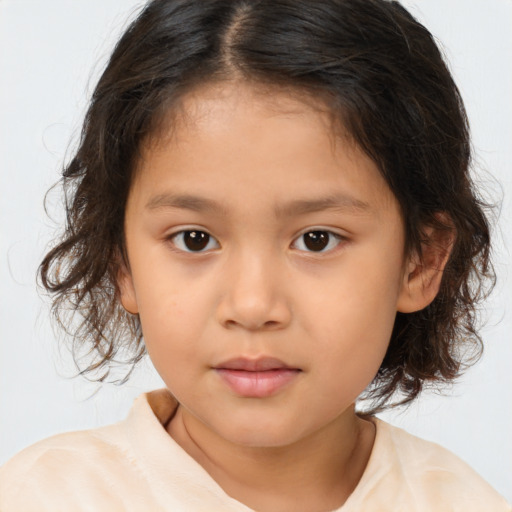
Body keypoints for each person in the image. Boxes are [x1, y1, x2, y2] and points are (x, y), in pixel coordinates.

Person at [0, 0, 510, 510]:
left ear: (419, 261)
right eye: (194, 239)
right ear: (122, 263)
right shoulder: (43, 496)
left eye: (317, 239)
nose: (252, 305)